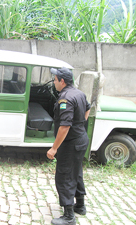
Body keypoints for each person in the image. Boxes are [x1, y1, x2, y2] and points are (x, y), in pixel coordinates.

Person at [47, 67, 91, 225]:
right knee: (76, 171)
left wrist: (54, 148)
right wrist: (80, 124)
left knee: (64, 175)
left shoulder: (65, 98)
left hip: (71, 143)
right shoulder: (79, 93)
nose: (54, 82)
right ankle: (80, 205)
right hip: (81, 139)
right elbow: (88, 108)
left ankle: (68, 216)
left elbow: (64, 126)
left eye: (55, 79)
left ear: (62, 81)